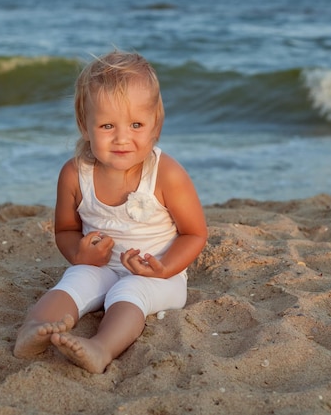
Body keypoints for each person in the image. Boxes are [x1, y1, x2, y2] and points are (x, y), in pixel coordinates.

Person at [13, 50, 207, 374]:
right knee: (75, 280)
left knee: (130, 290)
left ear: (155, 125)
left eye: (136, 124)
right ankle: (33, 330)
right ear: (84, 125)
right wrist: (79, 254)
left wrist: (162, 268)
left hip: (160, 275)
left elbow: (195, 233)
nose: (122, 138)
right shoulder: (75, 174)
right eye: (106, 125)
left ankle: (101, 348)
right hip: (102, 266)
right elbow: (64, 230)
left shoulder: (166, 174)